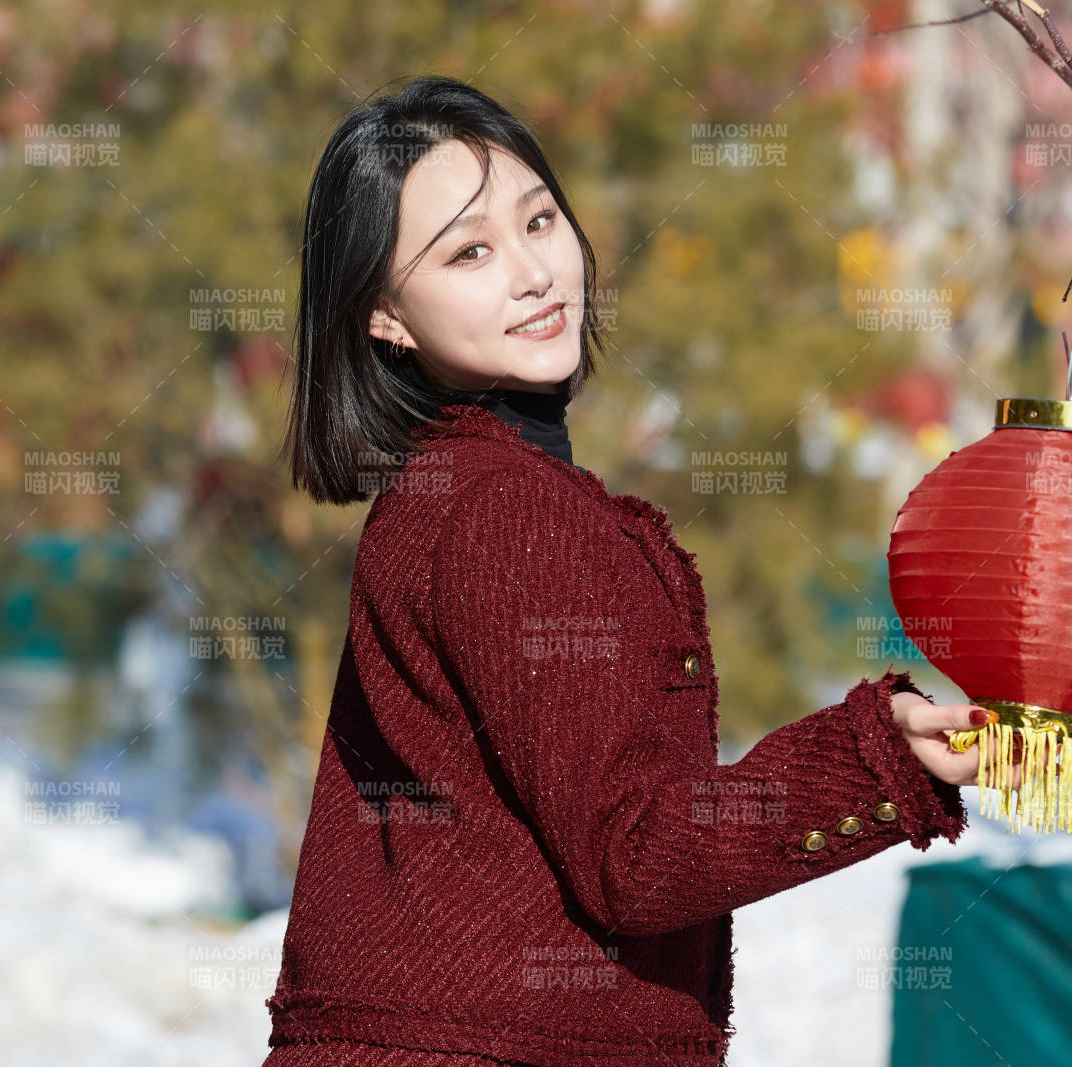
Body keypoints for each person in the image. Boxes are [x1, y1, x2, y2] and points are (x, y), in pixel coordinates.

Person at [266, 74, 1018, 1066]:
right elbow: (638, 851)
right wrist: (874, 758)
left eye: (539, 220)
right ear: (385, 316)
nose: (533, 272)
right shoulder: (504, 511)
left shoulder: (437, 493)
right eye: (469, 252)